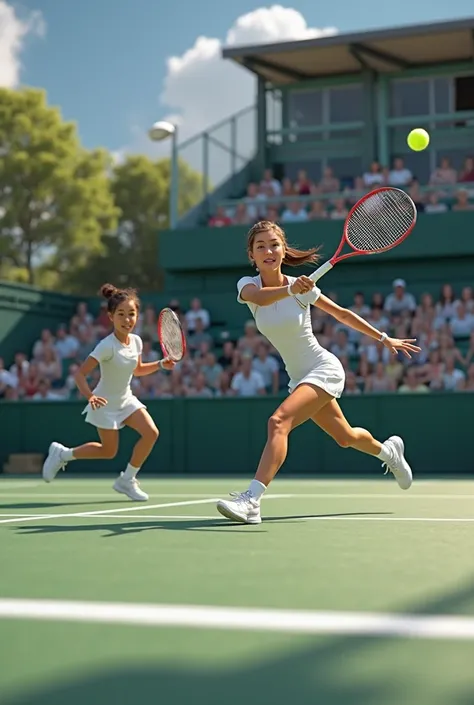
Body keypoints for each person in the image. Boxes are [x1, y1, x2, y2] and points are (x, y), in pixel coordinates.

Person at [216, 221, 421, 524]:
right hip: (298, 377)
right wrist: (290, 289)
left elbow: (342, 314)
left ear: (283, 250)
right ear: (252, 255)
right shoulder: (248, 285)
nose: (268, 251)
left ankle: (252, 500)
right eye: (261, 246)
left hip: (323, 368)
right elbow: (259, 298)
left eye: (274, 244)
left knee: (278, 422)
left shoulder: (303, 290)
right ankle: (389, 452)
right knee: (345, 437)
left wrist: (383, 337)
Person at [41, 284, 175, 500]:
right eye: (121, 314)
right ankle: (63, 454)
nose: (127, 319)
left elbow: (138, 369)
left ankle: (127, 480)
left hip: (126, 399)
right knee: (108, 451)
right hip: (104, 403)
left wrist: (160, 364)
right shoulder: (106, 346)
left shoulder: (137, 341)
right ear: (111, 317)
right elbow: (80, 375)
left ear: (137, 316)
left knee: (151, 433)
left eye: (131, 314)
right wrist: (90, 396)